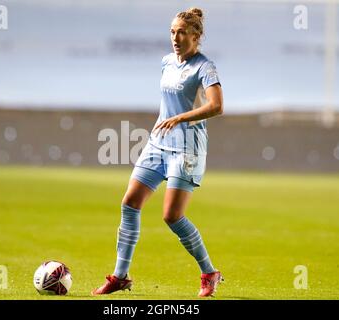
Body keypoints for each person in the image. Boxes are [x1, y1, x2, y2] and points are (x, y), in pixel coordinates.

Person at [92, 7, 224, 298]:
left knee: (172, 216)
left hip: (187, 146)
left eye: (181, 32)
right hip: (158, 143)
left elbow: (216, 106)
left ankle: (209, 272)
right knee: (130, 202)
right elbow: (168, 104)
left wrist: (181, 118)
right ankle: (120, 275)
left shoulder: (205, 67)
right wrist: (166, 122)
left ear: (196, 36)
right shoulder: (166, 62)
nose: (175, 37)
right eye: (172, 32)